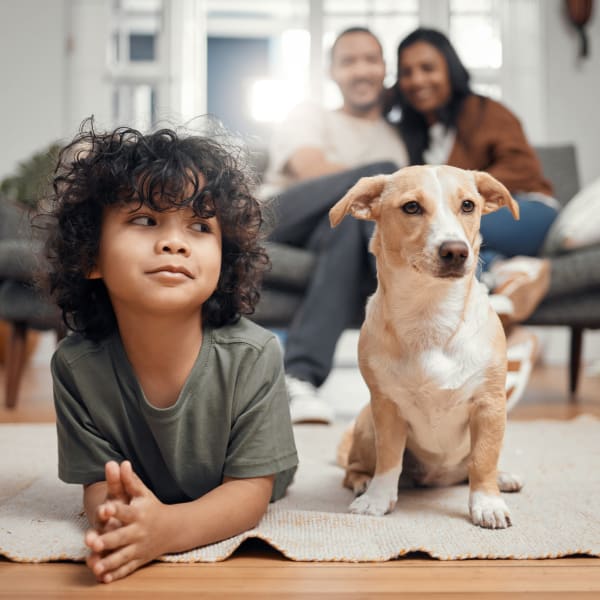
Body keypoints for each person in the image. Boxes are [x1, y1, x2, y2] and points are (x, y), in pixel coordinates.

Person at [44, 120, 298, 583]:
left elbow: (249, 494)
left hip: (247, 478)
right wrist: (120, 523)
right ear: (90, 257)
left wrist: (168, 530)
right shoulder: (75, 366)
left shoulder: (254, 354)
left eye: (200, 226)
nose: (175, 242)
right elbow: (100, 485)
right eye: (146, 220)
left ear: (224, 261)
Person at [261, 27, 408, 424]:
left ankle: (300, 378)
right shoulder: (310, 114)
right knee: (387, 175)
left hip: (337, 232)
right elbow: (308, 169)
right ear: (332, 73)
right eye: (349, 61)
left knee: (347, 227)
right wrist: (383, 182)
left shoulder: (396, 137)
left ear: (384, 69)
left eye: (370, 60)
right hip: (277, 218)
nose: (361, 70)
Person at [385, 27, 560, 326]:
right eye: (407, 72)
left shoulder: (486, 112)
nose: (417, 80)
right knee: (433, 241)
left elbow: (523, 169)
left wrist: (463, 193)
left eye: (428, 68)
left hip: (527, 210)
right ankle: (505, 275)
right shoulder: (410, 134)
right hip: (467, 223)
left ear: (450, 70)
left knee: (440, 229)